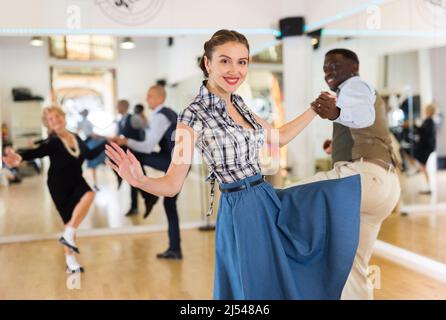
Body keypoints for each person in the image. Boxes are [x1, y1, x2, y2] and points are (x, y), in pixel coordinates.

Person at [105, 30, 361, 300]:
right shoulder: (192, 115)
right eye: (225, 61)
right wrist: (139, 180)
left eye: (242, 62)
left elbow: (278, 137)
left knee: (330, 204)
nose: (235, 70)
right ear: (208, 63)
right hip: (240, 208)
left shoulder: (239, 103)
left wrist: (314, 109)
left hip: (265, 198)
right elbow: (172, 183)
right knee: (254, 288)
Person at [300, 48, 401, 300]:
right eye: (325, 68)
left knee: (290, 195)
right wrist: (337, 145)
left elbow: (362, 115)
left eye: (335, 65)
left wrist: (335, 113)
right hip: (384, 187)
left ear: (354, 67)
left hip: (363, 179)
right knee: (355, 267)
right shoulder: (356, 92)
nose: (328, 71)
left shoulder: (354, 85)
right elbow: (365, 126)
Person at [2, 106, 107, 273]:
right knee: (69, 223)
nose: (55, 120)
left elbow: (90, 155)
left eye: (57, 116)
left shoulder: (76, 137)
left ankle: (68, 235)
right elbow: (37, 152)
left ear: (63, 117)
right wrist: (19, 157)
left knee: (89, 195)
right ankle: (70, 261)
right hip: (59, 185)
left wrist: (108, 142)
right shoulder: (53, 141)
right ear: (48, 124)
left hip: (77, 180)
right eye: (50, 119)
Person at [113, 85, 181, 259]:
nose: (147, 99)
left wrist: (125, 141)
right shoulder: (169, 113)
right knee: (169, 205)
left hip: (173, 163)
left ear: (159, 97)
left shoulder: (160, 116)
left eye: (149, 96)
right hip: (175, 160)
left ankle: (148, 196)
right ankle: (175, 248)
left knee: (135, 155)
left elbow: (147, 146)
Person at [115, 100, 148, 216]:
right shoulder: (120, 121)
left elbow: (145, 130)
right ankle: (137, 205)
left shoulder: (134, 118)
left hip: (137, 154)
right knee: (135, 180)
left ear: (124, 106)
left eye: (118, 105)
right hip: (128, 154)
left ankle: (147, 200)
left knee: (140, 180)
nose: (116, 107)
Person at [77, 109, 107, 191]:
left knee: (93, 164)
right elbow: (92, 134)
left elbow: (78, 132)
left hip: (88, 141)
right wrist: (104, 137)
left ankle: (94, 183)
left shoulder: (81, 122)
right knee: (94, 160)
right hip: (91, 141)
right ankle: (94, 183)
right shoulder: (85, 122)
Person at [412, 104, 437, 194]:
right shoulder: (429, 121)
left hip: (426, 148)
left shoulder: (429, 122)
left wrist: (415, 126)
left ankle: (428, 187)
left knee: (423, 166)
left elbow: (424, 133)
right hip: (427, 147)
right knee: (423, 166)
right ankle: (428, 186)